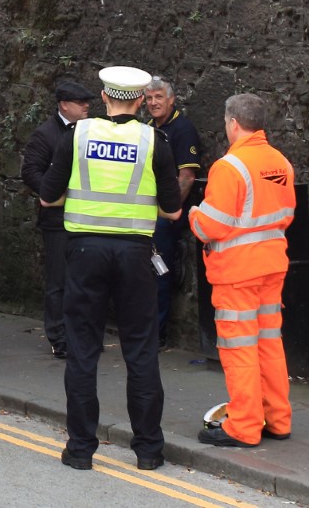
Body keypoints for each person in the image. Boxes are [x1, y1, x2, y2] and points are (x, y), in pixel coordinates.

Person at [40, 65, 182, 472]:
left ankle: (81, 449)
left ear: (104, 97)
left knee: (83, 351)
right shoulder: (154, 139)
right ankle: (149, 451)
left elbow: (48, 197)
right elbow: (173, 210)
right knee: (141, 350)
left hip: (84, 252)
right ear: (140, 101)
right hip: (136, 256)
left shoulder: (77, 134)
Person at [190, 93, 296, 448]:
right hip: (272, 266)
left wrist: (193, 214)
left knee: (240, 348)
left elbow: (211, 227)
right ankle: (277, 419)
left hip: (237, 272)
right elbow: (285, 213)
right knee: (268, 344)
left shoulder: (229, 167)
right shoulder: (280, 162)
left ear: (233, 124)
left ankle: (245, 426)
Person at [20, 79, 97, 359]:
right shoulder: (46, 135)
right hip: (58, 221)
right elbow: (30, 171)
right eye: (81, 102)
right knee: (59, 281)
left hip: (87, 217)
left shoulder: (91, 130)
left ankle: (82, 333)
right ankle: (58, 336)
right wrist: (51, 195)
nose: (87, 105)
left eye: (88, 101)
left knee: (85, 279)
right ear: (64, 105)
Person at [145, 76, 203, 347]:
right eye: (149, 98)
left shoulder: (183, 129)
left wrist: (167, 212)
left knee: (160, 273)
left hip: (163, 217)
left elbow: (187, 177)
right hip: (141, 213)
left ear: (171, 99)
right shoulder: (145, 128)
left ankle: (157, 334)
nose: (154, 103)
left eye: (159, 97)